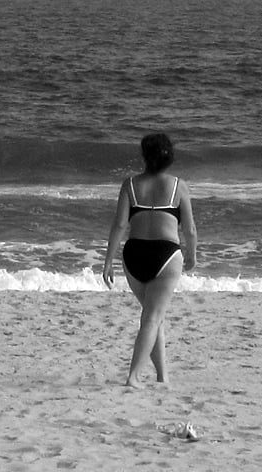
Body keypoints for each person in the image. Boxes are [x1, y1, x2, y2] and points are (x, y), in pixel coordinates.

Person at [103, 132, 197, 388]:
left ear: (144, 156)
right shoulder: (178, 186)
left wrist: (108, 260)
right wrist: (192, 255)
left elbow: (120, 224)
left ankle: (162, 376)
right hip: (166, 255)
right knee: (152, 318)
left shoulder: (130, 184)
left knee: (154, 316)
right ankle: (133, 376)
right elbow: (189, 229)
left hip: (133, 256)